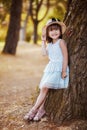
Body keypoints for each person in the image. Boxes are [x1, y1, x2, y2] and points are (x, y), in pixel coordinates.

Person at [24, 18, 69, 121]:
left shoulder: (61, 42)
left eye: (56, 29)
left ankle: (33, 110)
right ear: (48, 33)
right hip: (50, 69)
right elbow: (44, 53)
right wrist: (43, 41)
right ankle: (41, 110)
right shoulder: (49, 44)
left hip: (59, 69)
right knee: (44, 89)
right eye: (51, 30)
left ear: (60, 31)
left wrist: (64, 71)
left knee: (45, 87)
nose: (54, 32)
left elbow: (65, 57)